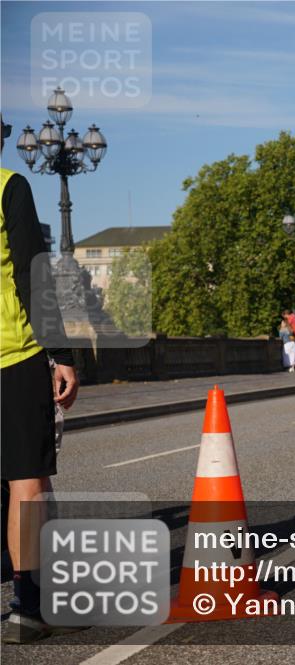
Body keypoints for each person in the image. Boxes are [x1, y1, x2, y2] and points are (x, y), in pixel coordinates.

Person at [1, 115, 80, 644]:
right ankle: (27, 605)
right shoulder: (10, 186)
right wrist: (62, 352)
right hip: (12, 356)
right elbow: (34, 272)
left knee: (35, 482)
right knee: (27, 481)